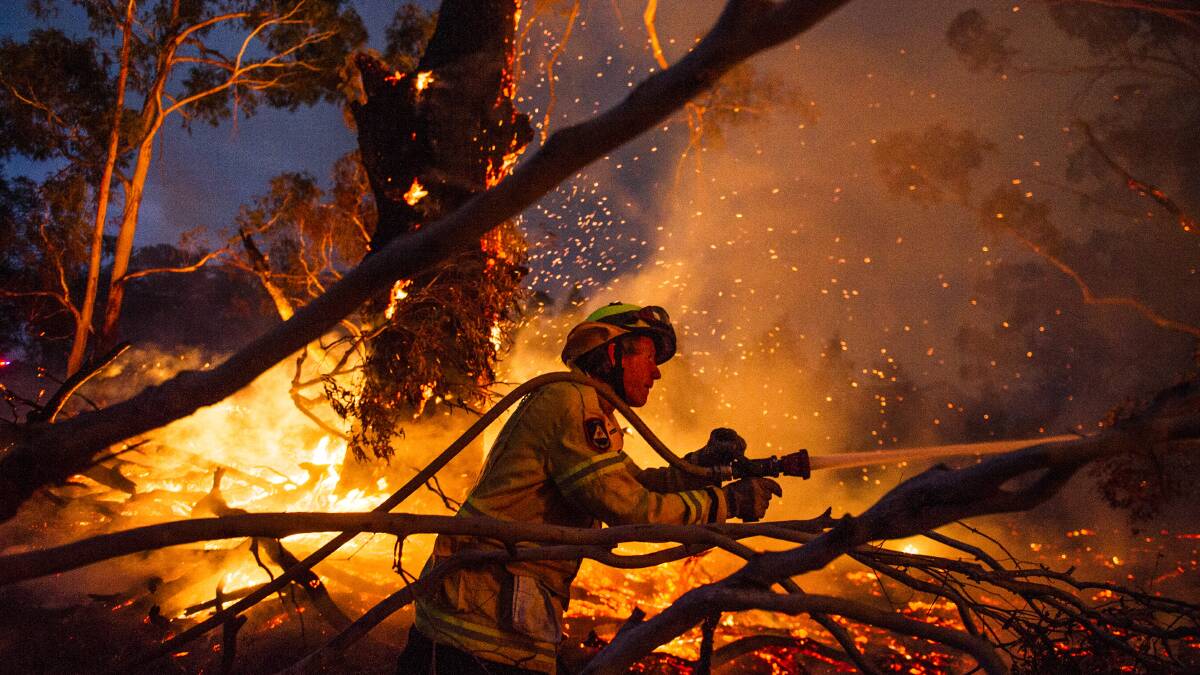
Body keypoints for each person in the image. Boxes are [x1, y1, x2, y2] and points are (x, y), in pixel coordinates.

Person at [397, 302, 782, 674]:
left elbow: (635, 483)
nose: (657, 373)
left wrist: (700, 468)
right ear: (613, 353)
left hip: (486, 631)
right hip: (475, 642)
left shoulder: (589, 410)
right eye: (649, 356)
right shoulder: (570, 401)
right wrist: (727, 501)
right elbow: (630, 507)